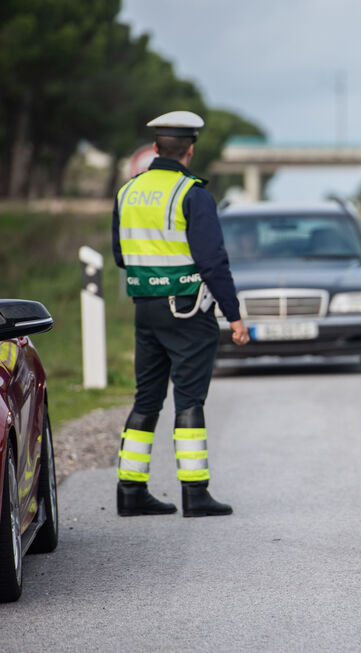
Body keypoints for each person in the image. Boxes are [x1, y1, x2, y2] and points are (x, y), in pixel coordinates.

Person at [111, 110, 250, 518]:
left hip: (145, 309)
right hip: (187, 309)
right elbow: (213, 262)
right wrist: (234, 316)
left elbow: (120, 256)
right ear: (190, 150)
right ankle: (195, 493)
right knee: (188, 400)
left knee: (146, 399)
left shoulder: (127, 193)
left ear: (156, 148)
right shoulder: (192, 194)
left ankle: (130, 491)